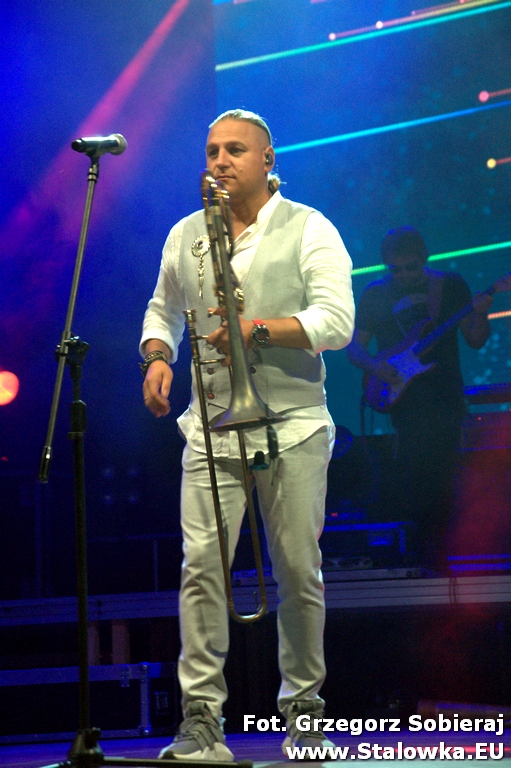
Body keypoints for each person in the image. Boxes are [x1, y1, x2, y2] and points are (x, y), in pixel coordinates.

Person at [140, 109, 355, 760]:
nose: (220, 161)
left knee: (298, 571)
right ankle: (201, 721)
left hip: (292, 425)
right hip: (211, 427)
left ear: (267, 159)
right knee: (200, 570)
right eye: (212, 151)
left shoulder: (310, 226)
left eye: (235, 150)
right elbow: (162, 308)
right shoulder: (186, 233)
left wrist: (255, 330)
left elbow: (336, 321)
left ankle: (304, 716)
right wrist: (157, 355)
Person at [346, 226, 494, 572]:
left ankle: (438, 561)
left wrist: (482, 312)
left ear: (424, 259)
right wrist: (376, 367)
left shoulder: (449, 285)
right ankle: (420, 559)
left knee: (443, 478)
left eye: (410, 267)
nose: (403, 275)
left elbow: (475, 339)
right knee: (413, 478)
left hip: (444, 397)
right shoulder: (375, 293)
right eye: (394, 269)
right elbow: (355, 348)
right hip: (404, 402)